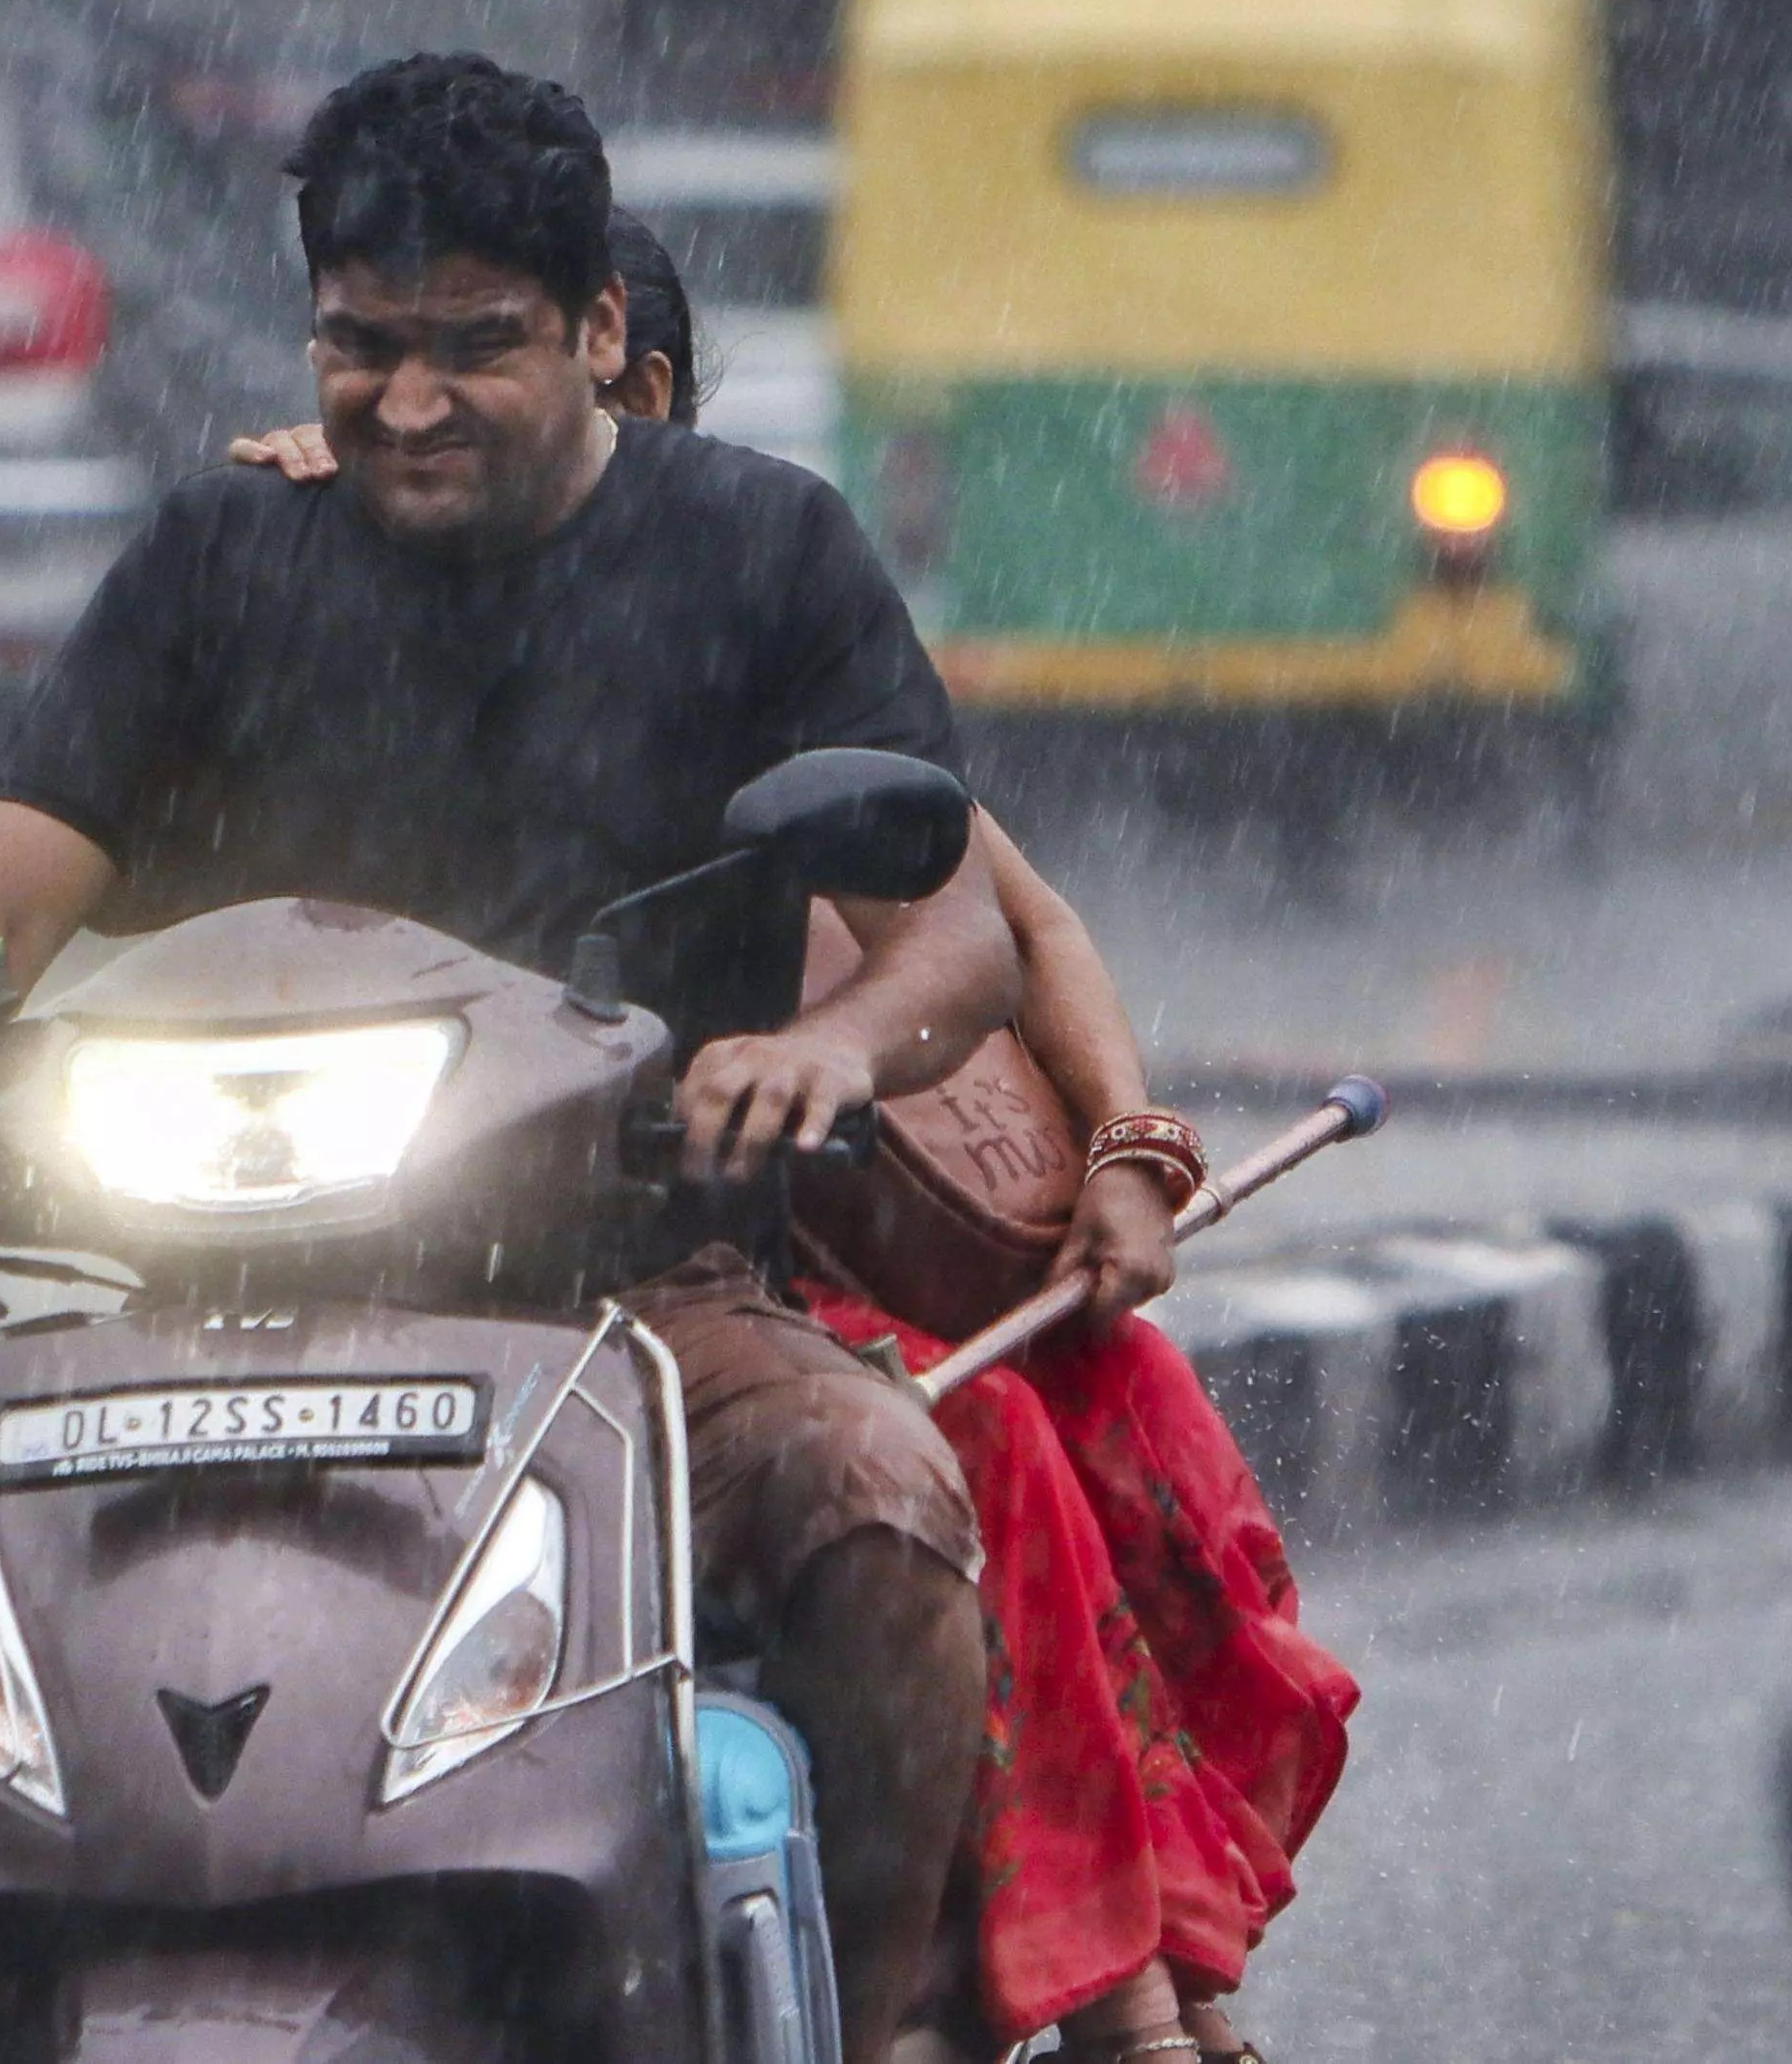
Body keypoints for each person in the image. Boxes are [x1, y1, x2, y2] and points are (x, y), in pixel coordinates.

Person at [0, 51, 1018, 2064]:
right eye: (361, 345)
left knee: (883, 1506)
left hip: (625, 1301)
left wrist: (821, 1047)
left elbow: (960, 932)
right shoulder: (221, 553)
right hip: (192, 1297)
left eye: (474, 346)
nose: (407, 403)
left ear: (599, 329)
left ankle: (862, 2019)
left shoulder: (763, 548)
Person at [240, 218, 1345, 2064]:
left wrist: (1127, 1157)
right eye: (389, 382)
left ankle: (1102, 1969)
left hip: (773, 1245)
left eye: (482, 376)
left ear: (629, 389)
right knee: (978, 1438)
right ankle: (1098, 1994)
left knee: (1102, 1394)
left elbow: (1013, 919)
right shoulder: (323, 584)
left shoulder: (745, 611)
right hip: (512, 1254)